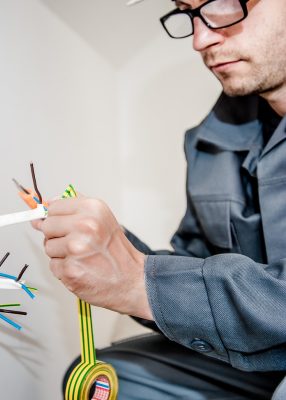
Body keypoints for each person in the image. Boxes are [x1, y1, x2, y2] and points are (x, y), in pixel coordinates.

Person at [33, 0, 286, 398]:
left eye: (220, 5)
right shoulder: (210, 141)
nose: (200, 39)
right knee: (103, 381)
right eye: (188, 13)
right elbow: (198, 270)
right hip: (260, 354)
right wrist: (117, 252)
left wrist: (138, 282)